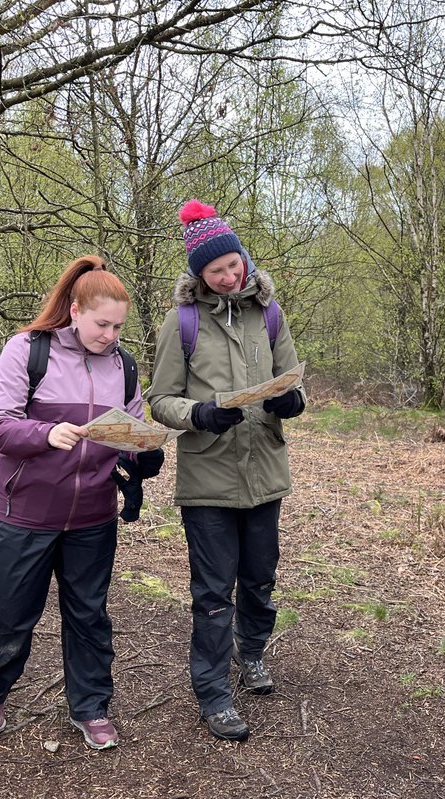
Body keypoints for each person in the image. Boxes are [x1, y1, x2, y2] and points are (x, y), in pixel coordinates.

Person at [0, 255, 164, 751]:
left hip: (93, 518)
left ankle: (91, 706)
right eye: (102, 324)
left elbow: (130, 431)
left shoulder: (123, 364)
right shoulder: (27, 351)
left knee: (89, 614)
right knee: (12, 612)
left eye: (119, 326)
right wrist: (44, 432)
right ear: (75, 311)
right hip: (24, 513)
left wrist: (145, 451)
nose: (110, 335)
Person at [146, 200, 305, 742]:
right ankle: (213, 692)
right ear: (199, 275)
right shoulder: (182, 322)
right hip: (208, 479)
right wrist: (200, 415)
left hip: (265, 471)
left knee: (260, 577)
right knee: (214, 591)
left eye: (234, 265)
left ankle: (253, 653)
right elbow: (159, 399)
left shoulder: (270, 312)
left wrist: (293, 401)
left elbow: (292, 377)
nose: (230, 276)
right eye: (216, 271)